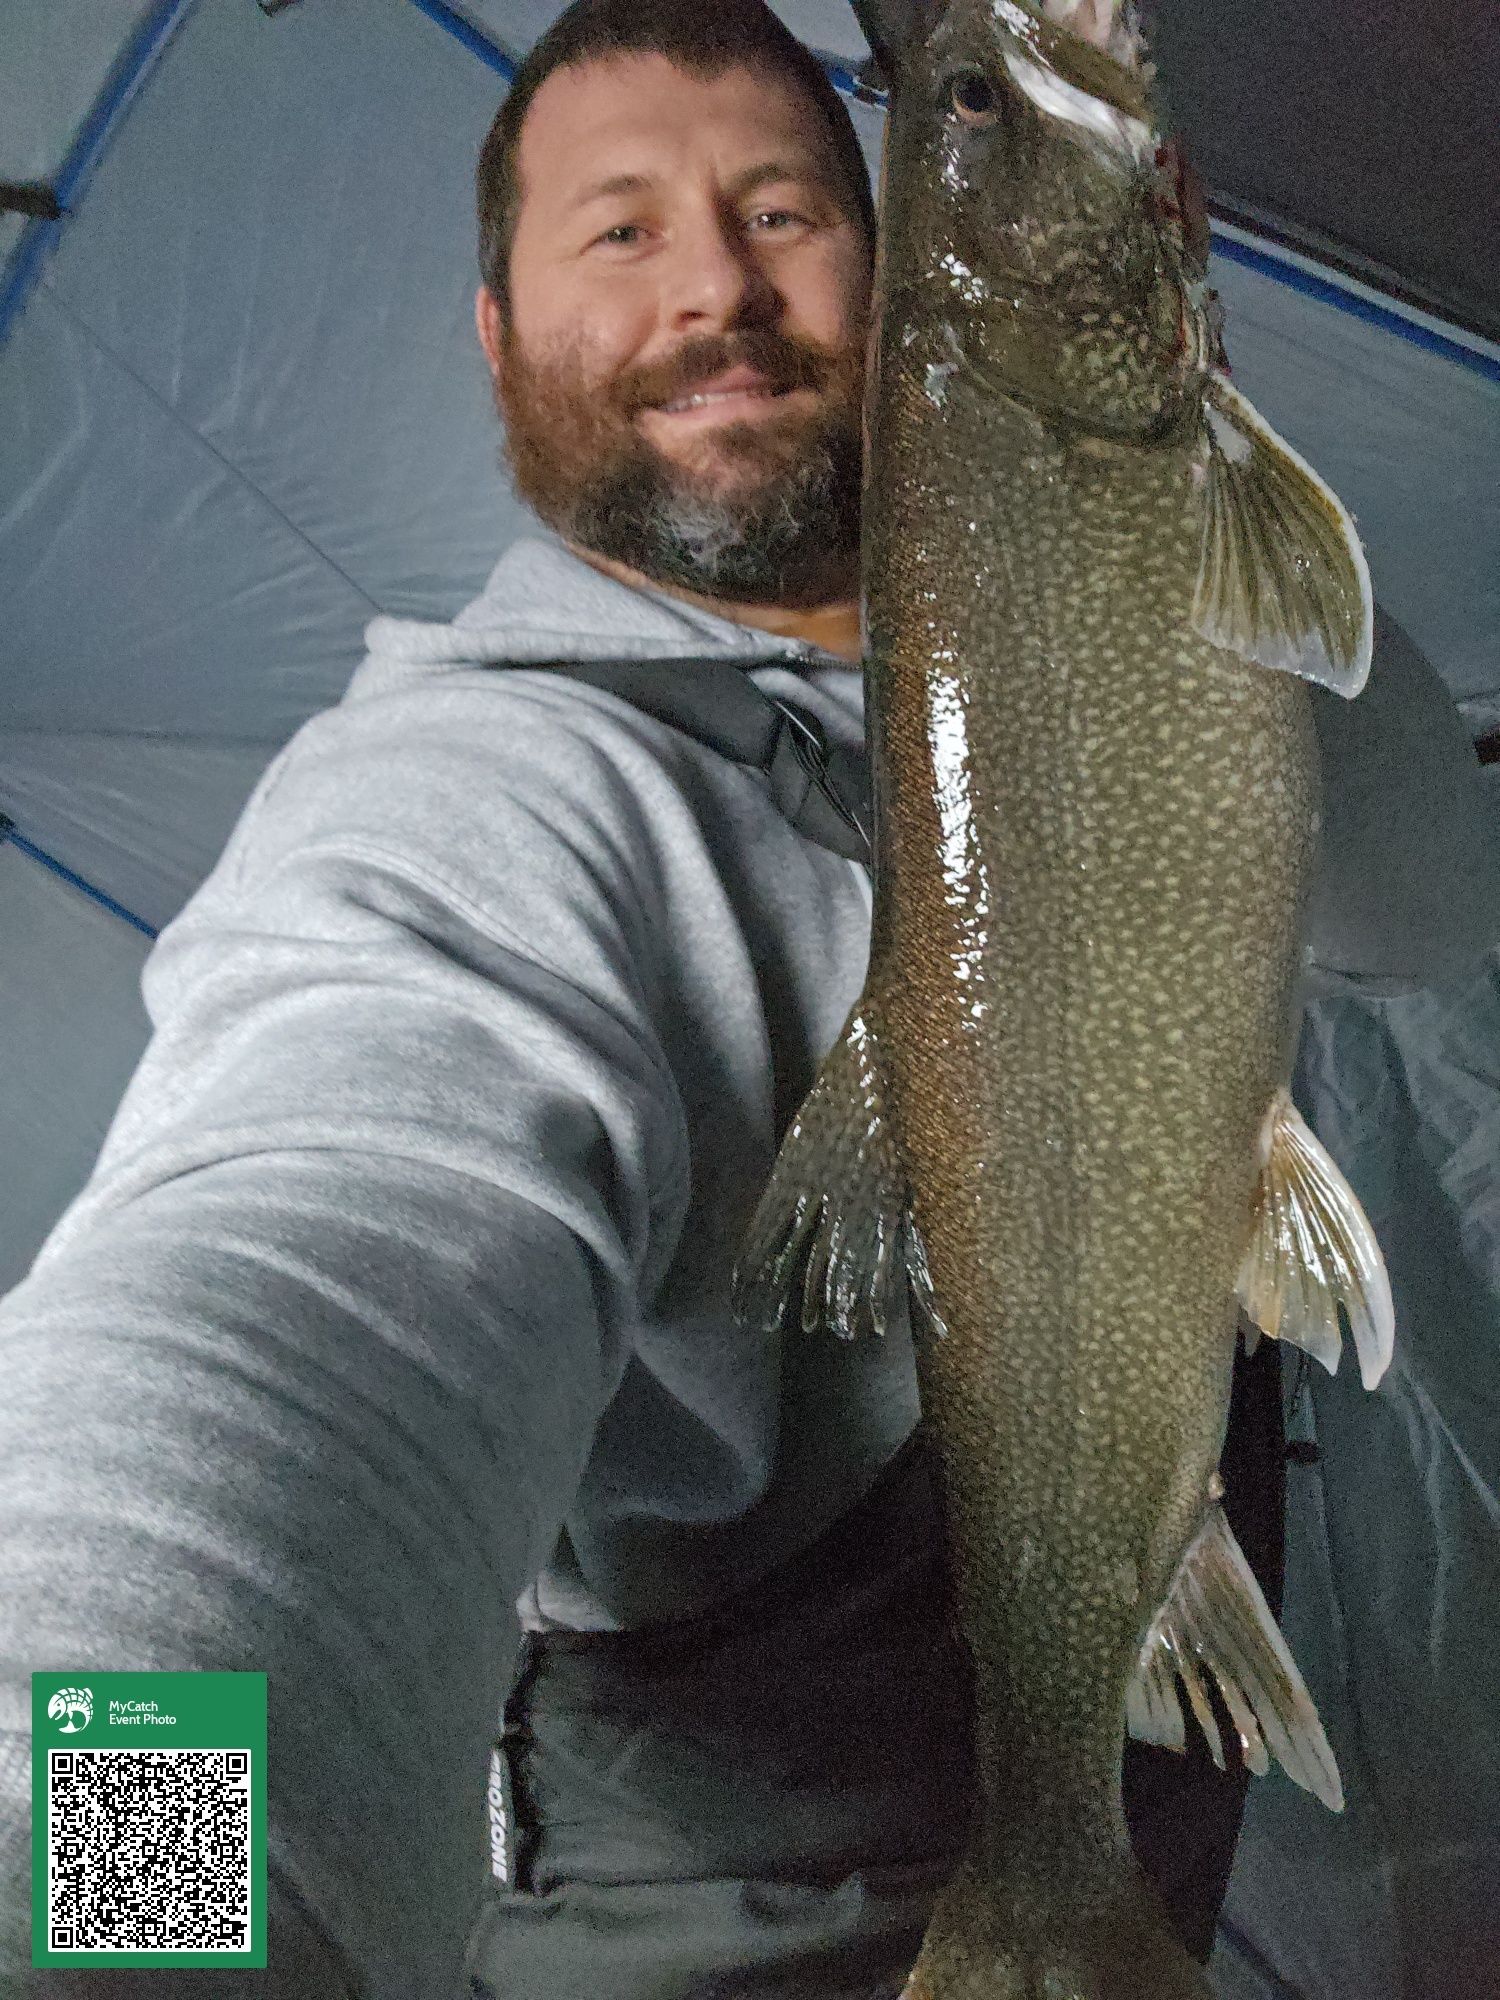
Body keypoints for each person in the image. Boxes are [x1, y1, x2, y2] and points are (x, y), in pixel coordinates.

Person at [0, 3, 1285, 1994]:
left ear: (899, 281)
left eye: (781, 210)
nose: (716, 287)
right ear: (499, 337)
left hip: (1155, 1813)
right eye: (619, 230)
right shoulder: (468, 805)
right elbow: (262, 1329)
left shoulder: (1099, 635)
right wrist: (123, 1925)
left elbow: (1411, 909)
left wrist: (1186, 459)